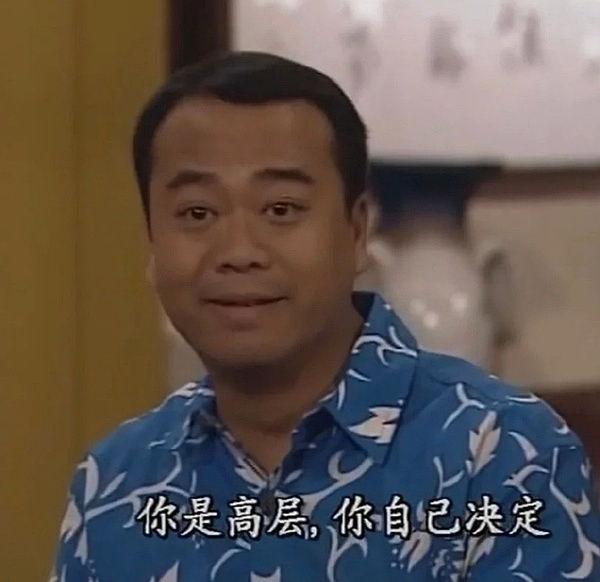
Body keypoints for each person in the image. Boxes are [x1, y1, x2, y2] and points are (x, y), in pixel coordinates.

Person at [49, 51, 600, 581]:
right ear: (152, 242)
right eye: (197, 212)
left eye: (280, 209)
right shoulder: (115, 483)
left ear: (355, 232)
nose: (238, 251)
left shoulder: (502, 453)